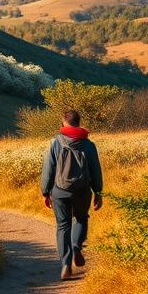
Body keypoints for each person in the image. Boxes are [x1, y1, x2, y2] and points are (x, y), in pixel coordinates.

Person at [40, 109, 104, 281]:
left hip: (60, 191)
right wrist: (98, 191)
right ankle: (76, 247)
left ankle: (66, 266)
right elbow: (95, 170)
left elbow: (48, 169)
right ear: (79, 122)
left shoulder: (55, 143)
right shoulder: (89, 145)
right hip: (82, 191)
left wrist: (45, 191)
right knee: (81, 219)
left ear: (64, 122)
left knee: (63, 226)